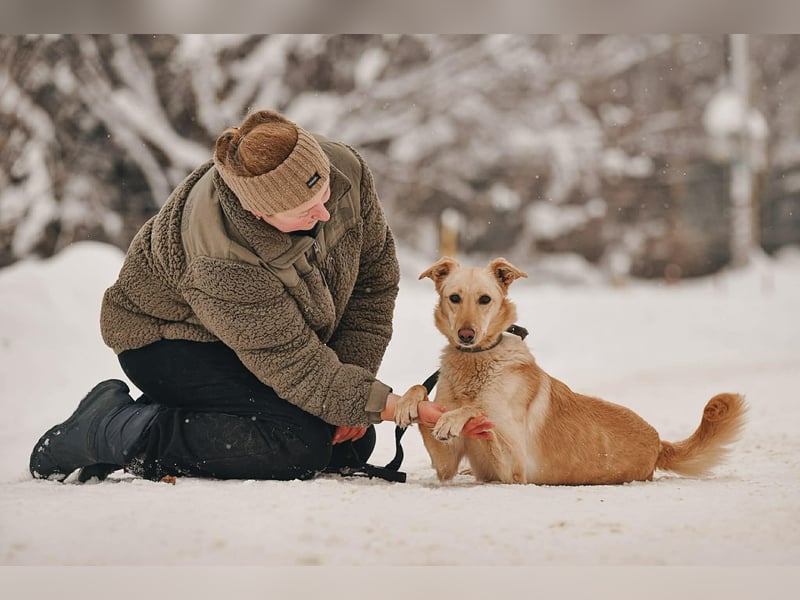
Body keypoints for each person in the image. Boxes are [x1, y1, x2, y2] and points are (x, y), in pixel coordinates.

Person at [29, 109, 492, 483]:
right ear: (256, 209)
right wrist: (390, 405)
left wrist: (353, 389)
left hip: (263, 342)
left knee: (349, 442)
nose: (325, 210)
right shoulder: (219, 253)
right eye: (305, 211)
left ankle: (194, 415)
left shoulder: (345, 171)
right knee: (295, 445)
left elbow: (373, 286)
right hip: (168, 340)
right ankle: (114, 429)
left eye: (324, 190)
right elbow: (293, 362)